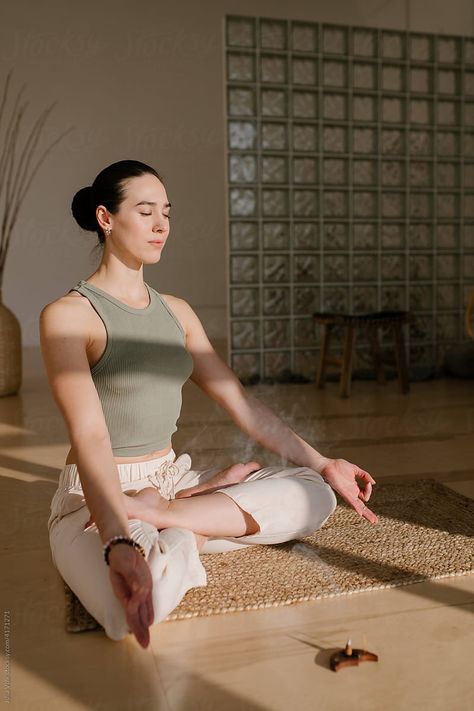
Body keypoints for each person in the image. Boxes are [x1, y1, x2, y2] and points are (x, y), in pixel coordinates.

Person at [39, 160, 378, 651]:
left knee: (315, 492)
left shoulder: (177, 312)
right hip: (97, 498)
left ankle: (171, 514)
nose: (161, 226)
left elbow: (242, 405)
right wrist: (117, 540)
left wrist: (325, 463)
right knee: (125, 612)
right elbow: (90, 436)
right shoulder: (69, 315)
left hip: (170, 482)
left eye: (168, 213)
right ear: (106, 218)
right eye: (146, 211)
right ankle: (189, 522)